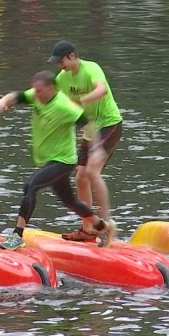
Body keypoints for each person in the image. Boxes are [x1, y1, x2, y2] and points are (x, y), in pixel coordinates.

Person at [0, 71, 117, 250]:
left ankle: (17, 235)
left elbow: (90, 125)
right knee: (70, 201)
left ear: (51, 88)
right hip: (50, 160)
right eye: (35, 90)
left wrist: (96, 150)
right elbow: (16, 96)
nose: (36, 94)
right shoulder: (37, 96)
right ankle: (102, 227)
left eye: (40, 90)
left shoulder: (65, 107)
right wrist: (2, 103)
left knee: (30, 186)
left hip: (63, 161)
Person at [47, 40, 122, 243]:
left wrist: (82, 101)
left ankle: (106, 223)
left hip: (109, 124)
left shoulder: (91, 68)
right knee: (80, 178)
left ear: (72, 56)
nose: (59, 65)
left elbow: (101, 90)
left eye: (61, 61)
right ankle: (88, 228)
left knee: (91, 172)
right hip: (90, 129)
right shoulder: (62, 78)